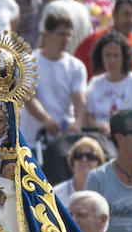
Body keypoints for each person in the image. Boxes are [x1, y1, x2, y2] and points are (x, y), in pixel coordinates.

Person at [26, 11, 88, 140]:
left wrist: (78, 121)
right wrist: (46, 119)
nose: (66, 39)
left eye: (69, 35)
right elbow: (28, 97)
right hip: (33, 138)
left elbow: (79, 97)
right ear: (47, 34)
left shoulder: (76, 66)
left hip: (64, 137)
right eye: (61, 34)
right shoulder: (27, 61)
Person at [74, 0, 132, 81]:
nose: (130, 20)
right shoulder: (92, 42)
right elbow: (75, 74)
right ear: (114, 15)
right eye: (126, 14)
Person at [83, 32, 132, 131]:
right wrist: (99, 127)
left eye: (116, 55)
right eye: (107, 55)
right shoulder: (94, 83)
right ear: (100, 57)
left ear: (124, 57)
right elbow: (88, 117)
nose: (111, 60)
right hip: (101, 138)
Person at [51, 137, 107, 206]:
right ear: (72, 161)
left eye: (90, 156)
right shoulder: (56, 194)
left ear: (99, 163)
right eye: (78, 156)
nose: (84, 159)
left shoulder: (108, 193)